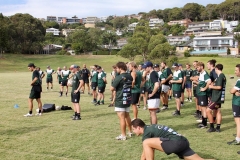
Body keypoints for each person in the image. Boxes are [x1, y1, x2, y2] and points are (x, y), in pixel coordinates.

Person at [131, 118, 205, 160]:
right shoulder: (151, 127)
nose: (133, 131)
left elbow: (144, 155)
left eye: (133, 129)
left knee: (145, 143)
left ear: (138, 127)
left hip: (176, 143)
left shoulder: (147, 132)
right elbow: (150, 150)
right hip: (183, 141)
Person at [110, 62, 133, 140]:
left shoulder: (119, 77)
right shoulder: (129, 76)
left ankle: (123, 135)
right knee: (127, 116)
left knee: (122, 118)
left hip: (120, 99)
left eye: (116, 68)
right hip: (128, 98)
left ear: (120, 68)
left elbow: (112, 88)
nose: (116, 70)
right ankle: (130, 132)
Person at [207, 64, 226, 132]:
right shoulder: (219, 76)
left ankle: (212, 126)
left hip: (216, 97)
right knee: (218, 111)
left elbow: (219, 87)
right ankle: (218, 127)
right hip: (218, 97)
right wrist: (213, 84)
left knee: (208, 110)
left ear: (217, 68)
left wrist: (211, 87)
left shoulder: (221, 76)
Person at [196, 62, 211, 128]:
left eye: (198, 67)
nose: (197, 68)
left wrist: (204, 88)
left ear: (202, 67)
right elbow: (202, 82)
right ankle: (203, 122)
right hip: (200, 93)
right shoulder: (201, 73)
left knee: (204, 108)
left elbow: (209, 81)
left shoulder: (205, 73)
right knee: (202, 108)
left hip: (203, 94)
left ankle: (204, 123)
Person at [228, 64, 240, 146]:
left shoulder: (239, 81)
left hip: (237, 103)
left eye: (236, 70)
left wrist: (233, 91)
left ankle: (238, 139)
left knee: (238, 122)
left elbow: (232, 91)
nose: (235, 72)